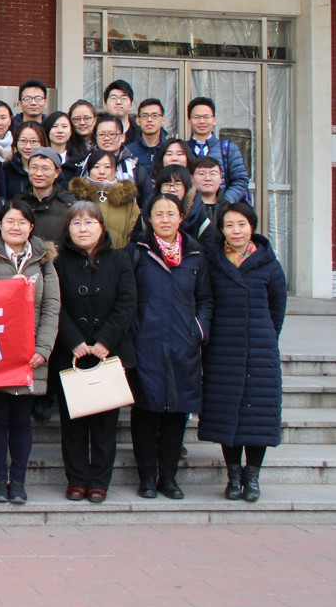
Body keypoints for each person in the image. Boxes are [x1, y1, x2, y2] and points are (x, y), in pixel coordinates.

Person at [126, 193, 213, 500]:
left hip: (182, 345)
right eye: (158, 214)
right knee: (145, 412)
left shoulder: (195, 254)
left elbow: (205, 299)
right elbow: (126, 298)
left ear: (181, 218)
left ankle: (169, 478)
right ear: (149, 219)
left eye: (170, 213)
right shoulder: (138, 251)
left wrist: (198, 330)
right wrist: (133, 333)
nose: (165, 219)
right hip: (146, 344)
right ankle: (147, 478)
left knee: (177, 413)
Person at [200, 202, 287, 503]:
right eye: (229, 225)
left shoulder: (269, 264)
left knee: (257, 415)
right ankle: (234, 476)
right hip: (222, 349)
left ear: (252, 227)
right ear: (221, 229)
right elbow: (207, 301)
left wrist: (266, 337)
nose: (236, 231)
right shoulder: (213, 262)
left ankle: (253, 477)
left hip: (260, 350)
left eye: (241, 224)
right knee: (226, 412)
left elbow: (277, 310)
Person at [0, 200, 60, 504]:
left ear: (31, 227)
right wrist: (10, 289)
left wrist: (43, 349)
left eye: (22, 222)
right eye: (10, 221)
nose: (15, 227)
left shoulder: (44, 259)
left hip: (31, 352)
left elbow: (52, 306)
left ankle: (18, 481)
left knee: (22, 420)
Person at [51, 202, 136, 503]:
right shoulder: (58, 261)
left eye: (89, 222)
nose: (83, 228)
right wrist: (73, 340)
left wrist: (105, 341)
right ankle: (76, 480)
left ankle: (99, 481)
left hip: (108, 354)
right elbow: (54, 304)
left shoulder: (119, 260)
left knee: (105, 424)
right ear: (68, 229)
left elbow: (127, 303)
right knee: (72, 423)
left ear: (101, 227)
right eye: (76, 223)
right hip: (70, 353)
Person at [70, 149, 140, 249]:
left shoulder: (127, 201)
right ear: (88, 170)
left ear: (116, 171)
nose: (102, 172)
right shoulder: (76, 197)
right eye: (96, 167)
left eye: (107, 167)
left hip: (120, 255)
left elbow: (135, 235)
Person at [185, 97, 250, 204]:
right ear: (189, 121)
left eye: (206, 117)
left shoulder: (228, 149)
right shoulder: (182, 149)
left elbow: (240, 180)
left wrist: (224, 202)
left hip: (222, 209)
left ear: (214, 120)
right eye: (196, 117)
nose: (202, 121)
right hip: (190, 209)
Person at [17, 147, 77, 249]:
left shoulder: (69, 205)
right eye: (34, 167)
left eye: (45, 168)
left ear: (57, 172)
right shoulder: (18, 203)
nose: (38, 173)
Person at [151, 164, 214, 251]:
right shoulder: (148, 213)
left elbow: (208, 251)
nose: (172, 189)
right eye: (167, 184)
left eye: (177, 184)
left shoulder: (200, 216)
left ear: (186, 188)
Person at [2, 122, 48, 199]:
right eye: (23, 141)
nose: (28, 147)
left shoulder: (51, 169)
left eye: (34, 141)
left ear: (42, 143)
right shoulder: (7, 169)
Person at [124, 98, 168, 178]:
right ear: (138, 121)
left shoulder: (169, 149)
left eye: (155, 116)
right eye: (145, 116)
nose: (149, 120)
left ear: (163, 120)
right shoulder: (128, 152)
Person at [93, 114, 139, 182]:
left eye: (112, 134)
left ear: (122, 137)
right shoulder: (85, 165)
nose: (106, 138)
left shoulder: (134, 167)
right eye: (101, 134)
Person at [192, 156, 229, 225]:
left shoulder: (229, 209)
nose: (207, 178)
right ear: (192, 178)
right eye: (201, 174)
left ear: (221, 178)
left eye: (213, 173)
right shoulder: (186, 209)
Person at [42, 111, 75, 178]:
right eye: (54, 126)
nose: (60, 131)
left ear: (71, 131)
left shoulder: (78, 160)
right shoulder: (39, 157)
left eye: (64, 126)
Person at [66, 99, 97, 168]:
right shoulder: (66, 146)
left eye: (87, 118)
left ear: (95, 120)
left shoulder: (102, 143)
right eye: (76, 119)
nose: (82, 123)